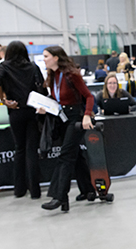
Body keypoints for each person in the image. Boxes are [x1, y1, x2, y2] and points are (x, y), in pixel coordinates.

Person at [39, 45, 95, 212]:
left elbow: (89, 96)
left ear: (56, 58)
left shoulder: (71, 75)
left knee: (65, 156)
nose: (44, 59)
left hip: (75, 119)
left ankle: (59, 196)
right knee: (75, 155)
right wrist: (44, 108)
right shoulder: (53, 76)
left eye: (46, 56)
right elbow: (58, 100)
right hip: (61, 118)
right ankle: (88, 190)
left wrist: (87, 115)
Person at [0, 41, 46, 200]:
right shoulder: (33, 67)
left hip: (15, 111)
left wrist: (4, 100)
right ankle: (35, 190)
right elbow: (42, 87)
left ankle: (19, 189)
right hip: (32, 110)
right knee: (31, 150)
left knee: (19, 149)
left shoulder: (4, 66)